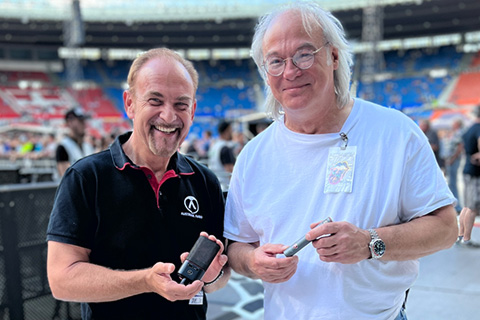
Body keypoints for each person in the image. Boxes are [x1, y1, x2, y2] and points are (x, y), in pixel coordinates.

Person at [223, 2, 458, 320]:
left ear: (333, 56)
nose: (290, 72)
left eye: (304, 54)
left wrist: (369, 242)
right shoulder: (253, 156)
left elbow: (445, 228)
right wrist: (252, 262)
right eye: (275, 62)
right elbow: (237, 245)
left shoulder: (395, 132)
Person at [46, 48, 230, 320]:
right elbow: (61, 279)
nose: (168, 116)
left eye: (181, 104)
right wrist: (145, 281)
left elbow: (220, 277)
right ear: (130, 103)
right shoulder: (87, 177)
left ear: (192, 110)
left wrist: (211, 278)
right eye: (155, 101)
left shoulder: (205, 182)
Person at [459, 105, 480, 247]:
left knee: (466, 206)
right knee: (472, 208)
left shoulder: (469, 128)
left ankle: (461, 236)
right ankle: (466, 239)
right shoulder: (478, 128)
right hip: (474, 173)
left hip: (467, 169)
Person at [55, 107, 95, 177]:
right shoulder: (63, 146)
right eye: (80, 121)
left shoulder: (88, 146)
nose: (84, 124)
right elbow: (65, 178)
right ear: (69, 122)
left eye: (84, 121)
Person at [441, 118, 464, 212]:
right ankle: (455, 205)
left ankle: (457, 206)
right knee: (451, 182)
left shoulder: (459, 133)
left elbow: (459, 147)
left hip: (453, 160)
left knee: (452, 183)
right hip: (449, 160)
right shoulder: (453, 132)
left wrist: (453, 158)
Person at [208, 120, 236, 192]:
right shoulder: (225, 148)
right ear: (226, 131)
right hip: (225, 186)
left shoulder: (214, 146)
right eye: (230, 130)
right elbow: (229, 170)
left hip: (214, 183)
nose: (232, 133)